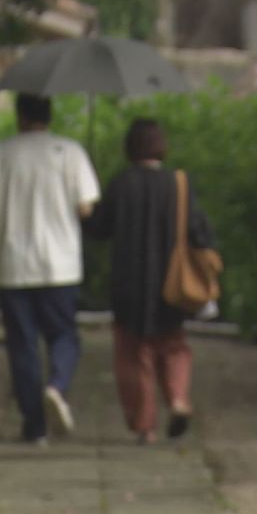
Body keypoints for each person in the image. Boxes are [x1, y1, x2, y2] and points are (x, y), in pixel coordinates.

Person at [0, 93, 100, 444]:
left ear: (19, 117)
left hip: (12, 264)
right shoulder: (71, 152)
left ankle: (35, 427)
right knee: (64, 335)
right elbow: (86, 209)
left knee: (22, 344)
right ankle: (57, 385)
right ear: (50, 115)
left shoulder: (2, 155)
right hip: (60, 265)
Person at [85, 118, 214, 444]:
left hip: (128, 283)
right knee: (173, 346)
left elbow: (99, 230)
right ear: (161, 147)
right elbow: (200, 232)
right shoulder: (178, 184)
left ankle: (145, 427)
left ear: (129, 147)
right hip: (172, 282)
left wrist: (87, 210)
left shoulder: (120, 184)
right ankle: (179, 399)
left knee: (134, 354)